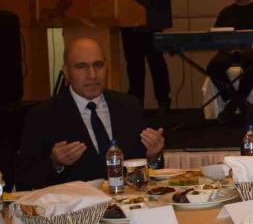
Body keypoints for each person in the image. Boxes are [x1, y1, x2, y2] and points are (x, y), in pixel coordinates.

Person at [16, 38, 165, 190]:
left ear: (107, 67)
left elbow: (144, 171)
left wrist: (153, 156)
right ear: (66, 72)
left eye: (98, 65)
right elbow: (24, 179)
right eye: (81, 67)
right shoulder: (43, 115)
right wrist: (55, 163)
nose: (92, 75)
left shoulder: (128, 107)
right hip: (74, 203)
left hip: (127, 200)